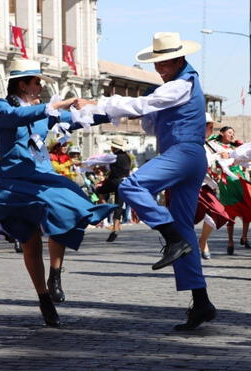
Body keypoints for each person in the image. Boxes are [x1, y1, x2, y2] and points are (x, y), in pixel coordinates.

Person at [76, 32, 216, 330]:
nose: (158, 68)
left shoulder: (181, 84)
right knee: (184, 228)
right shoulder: (177, 86)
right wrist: (100, 109)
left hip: (183, 154)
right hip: (188, 156)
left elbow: (142, 106)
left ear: (179, 59)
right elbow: (148, 117)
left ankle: (172, 238)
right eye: (157, 63)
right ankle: (201, 301)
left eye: (163, 63)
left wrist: (98, 104)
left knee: (130, 186)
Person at [0, 59, 117, 327]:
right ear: (23, 84)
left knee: (67, 210)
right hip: (15, 180)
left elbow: (74, 120)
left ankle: (55, 273)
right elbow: (16, 118)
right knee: (29, 240)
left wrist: (112, 111)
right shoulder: (1, 107)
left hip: (42, 175)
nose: (40, 86)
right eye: (37, 82)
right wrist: (55, 105)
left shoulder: (43, 112)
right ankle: (43, 298)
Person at [208, 126, 251, 254]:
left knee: (248, 206)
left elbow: (244, 161)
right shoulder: (214, 145)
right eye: (229, 132)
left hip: (239, 178)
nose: (232, 135)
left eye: (233, 133)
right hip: (226, 180)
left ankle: (244, 236)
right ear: (221, 133)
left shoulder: (235, 147)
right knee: (230, 211)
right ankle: (230, 241)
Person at [195, 114, 233, 259]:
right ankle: (182, 245)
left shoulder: (210, 144)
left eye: (211, 127)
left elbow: (226, 154)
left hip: (206, 186)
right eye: (208, 126)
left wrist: (226, 156)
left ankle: (202, 240)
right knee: (184, 218)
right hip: (188, 185)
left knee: (217, 212)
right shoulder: (188, 143)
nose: (211, 129)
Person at [94, 136, 131, 242]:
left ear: (114, 147)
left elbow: (101, 162)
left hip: (114, 181)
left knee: (99, 191)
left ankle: (106, 206)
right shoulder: (127, 157)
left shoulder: (114, 157)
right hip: (125, 182)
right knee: (119, 205)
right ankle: (115, 228)